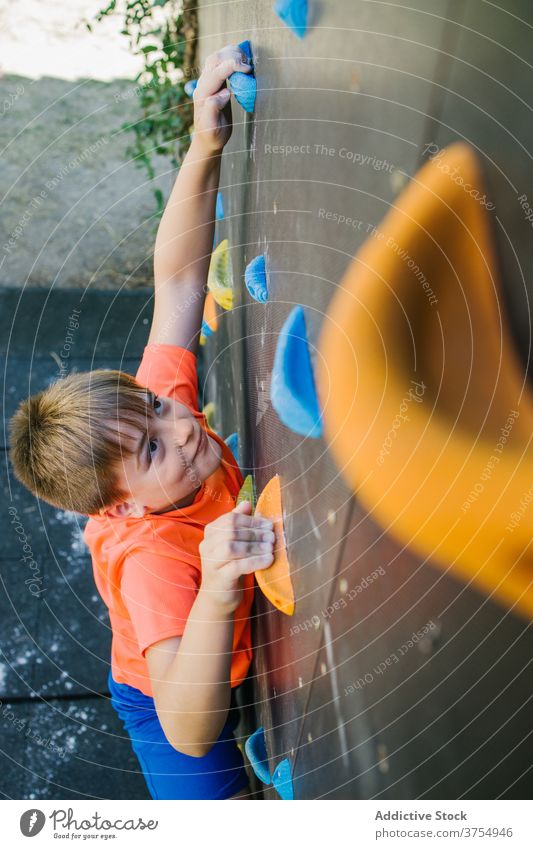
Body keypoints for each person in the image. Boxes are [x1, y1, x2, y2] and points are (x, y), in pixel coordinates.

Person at [9, 43, 275, 799]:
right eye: (154, 447)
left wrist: (203, 144)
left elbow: (181, 279)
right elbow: (191, 726)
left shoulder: (161, 411)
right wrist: (219, 586)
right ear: (122, 505)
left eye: (157, 407)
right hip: (162, 696)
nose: (184, 426)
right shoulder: (154, 559)